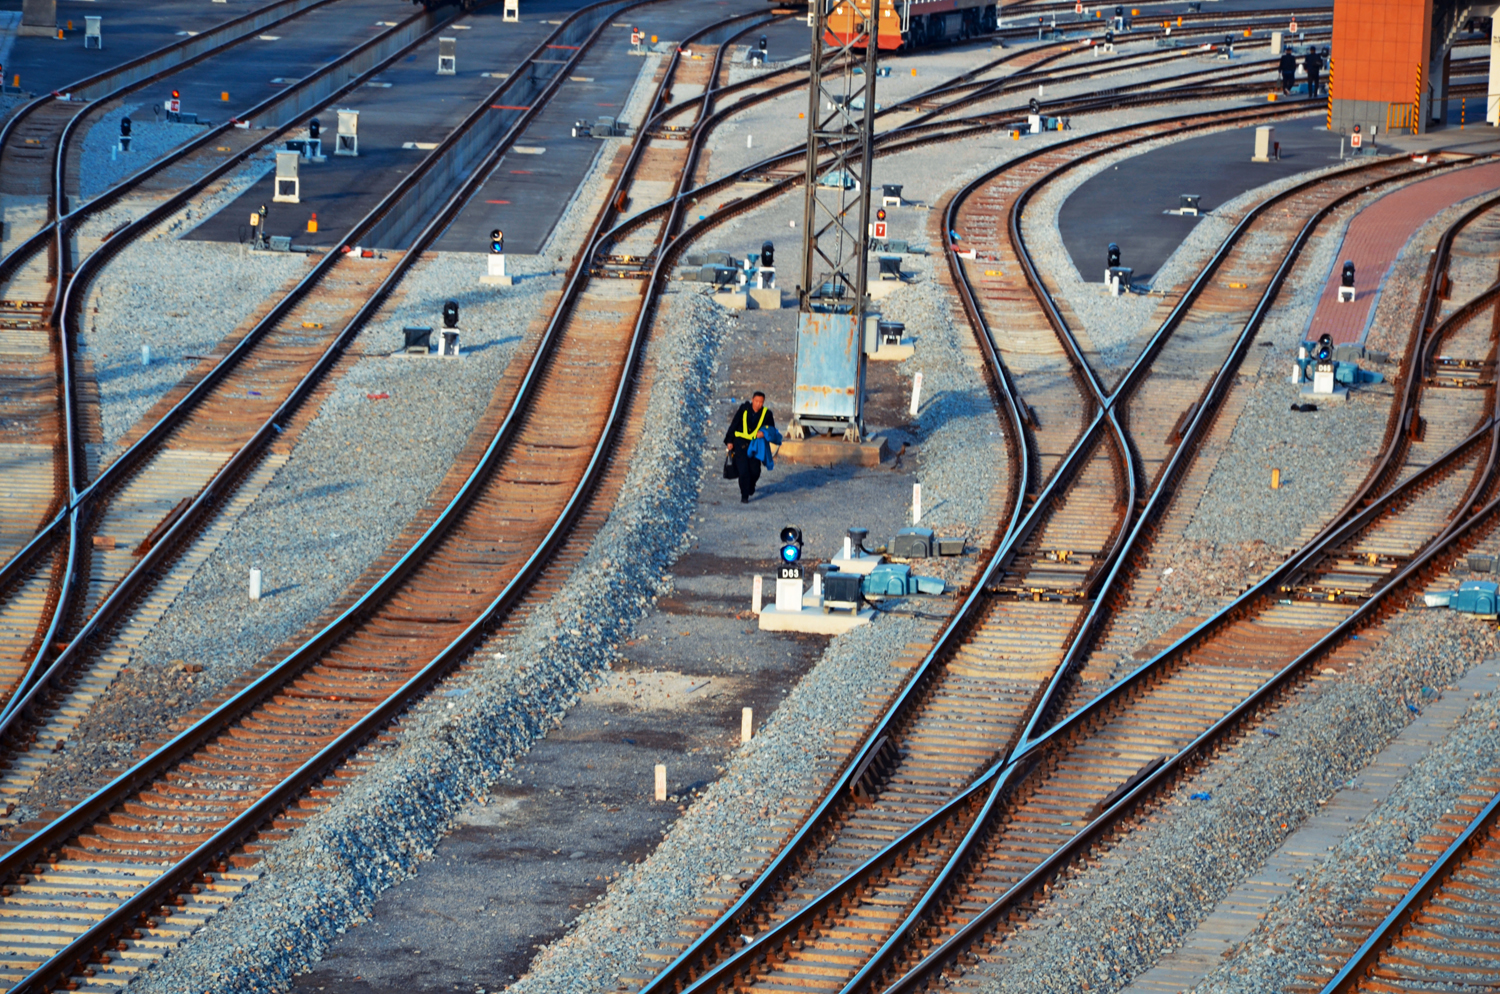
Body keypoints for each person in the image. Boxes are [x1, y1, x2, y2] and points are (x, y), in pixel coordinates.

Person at [724, 391, 776, 503]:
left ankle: (751, 486)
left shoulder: (767, 414)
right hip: (740, 444)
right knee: (743, 471)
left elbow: (772, 430)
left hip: (755, 445)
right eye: (756, 401)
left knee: (755, 471)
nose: (758, 404)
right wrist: (729, 440)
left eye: (761, 402)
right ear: (752, 400)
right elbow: (734, 424)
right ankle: (744, 495)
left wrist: (764, 433)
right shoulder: (743, 410)